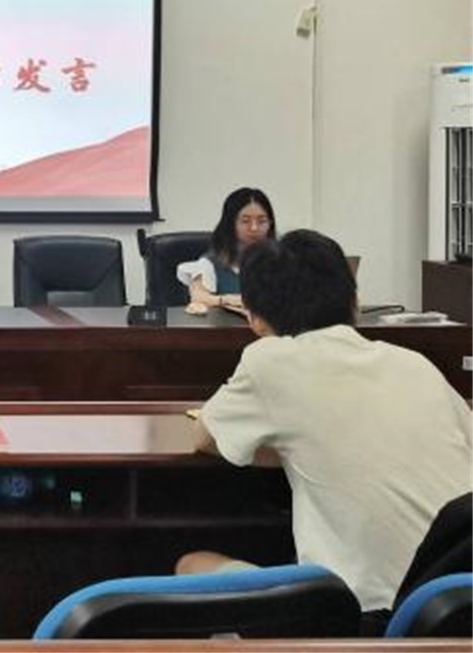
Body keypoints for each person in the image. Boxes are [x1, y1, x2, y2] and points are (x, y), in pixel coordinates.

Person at [179, 229, 472, 628]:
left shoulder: (271, 361)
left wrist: (284, 450)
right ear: (355, 302)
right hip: (457, 606)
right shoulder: (415, 364)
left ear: (254, 318)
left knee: (193, 564)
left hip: (367, 618)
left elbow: (205, 437)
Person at [178, 186, 276, 310]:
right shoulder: (211, 263)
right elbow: (198, 297)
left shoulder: (280, 258)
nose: (254, 228)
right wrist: (227, 300)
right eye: (245, 221)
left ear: (270, 223)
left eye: (262, 221)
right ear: (230, 223)